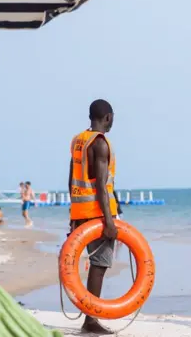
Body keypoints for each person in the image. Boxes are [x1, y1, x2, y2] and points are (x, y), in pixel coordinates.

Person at [67, 99, 119, 334]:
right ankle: (90, 321)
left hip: (80, 211)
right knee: (99, 266)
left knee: (96, 265)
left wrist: (73, 214)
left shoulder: (78, 140)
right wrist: (109, 221)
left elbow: (71, 180)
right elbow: (100, 184)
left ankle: (90, 319)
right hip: (97, 214)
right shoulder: (100, 144)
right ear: (108, 117)